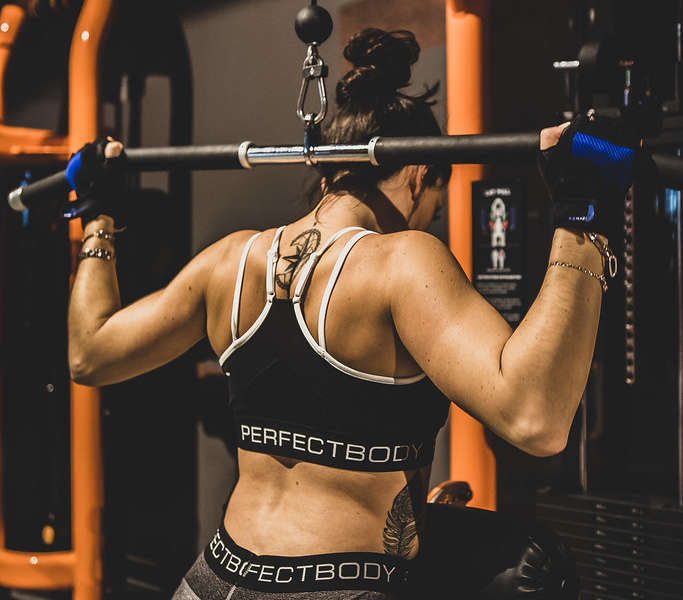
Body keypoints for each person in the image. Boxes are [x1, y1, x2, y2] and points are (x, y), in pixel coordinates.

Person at [67, 28, 634, 600]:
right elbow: (536, 419)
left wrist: (97, 214)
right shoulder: (401, 264)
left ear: (327, 175)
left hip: (211, 579)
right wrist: (581, 216)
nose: (428, 219)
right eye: (434, 206)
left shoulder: (229, 262)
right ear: (419, 175)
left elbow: (90, 353)